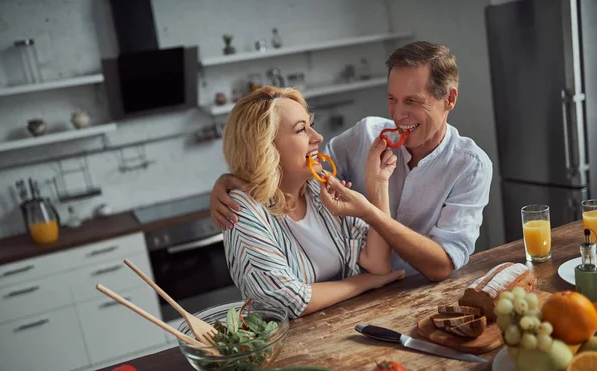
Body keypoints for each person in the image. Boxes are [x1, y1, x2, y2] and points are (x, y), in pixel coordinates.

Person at [211, 41, 493, 282]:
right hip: (357, 301)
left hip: (424, 294)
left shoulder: (471, 166)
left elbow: (442, 265)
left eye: (413, 102)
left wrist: (372, 214)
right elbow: (295, 171)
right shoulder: (364, 135)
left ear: (449, 99)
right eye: (393, 99)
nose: (398, 114)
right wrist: (229, 180)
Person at [221, 86, 405, 319]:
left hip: (348, 328)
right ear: (265, 147)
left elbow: (378, 264)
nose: (318, 138)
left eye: (311, 125)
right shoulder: (241, 209)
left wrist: (378, 186)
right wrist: (366, 282)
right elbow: (290, 301)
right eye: (301, 130)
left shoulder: (320, 187)